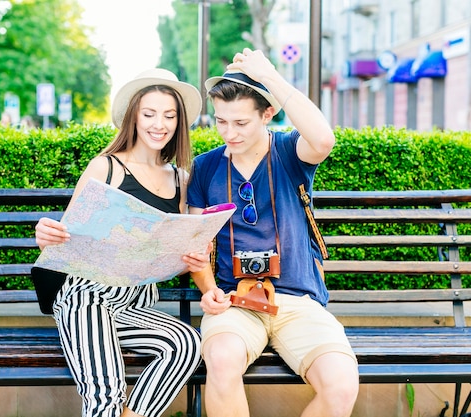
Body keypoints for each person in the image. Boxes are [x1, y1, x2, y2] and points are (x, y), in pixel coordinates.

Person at [187, 48, 360, 417]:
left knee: (341, 384)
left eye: (241, 123)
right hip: (234, 301)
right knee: (220, 361)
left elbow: (324, 139)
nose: (229, 133)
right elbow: (196, 247)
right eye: (221, 121)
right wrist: (208, 290)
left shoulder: (289, 152)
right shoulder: (205, 169)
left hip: (299, 300)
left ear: (267, 114)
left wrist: (269, 76)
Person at [34, 68, 211, 417]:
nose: (159, 124)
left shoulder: (181, 179)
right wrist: (46, 236)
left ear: (179, 123)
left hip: (136, 303)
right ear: (133, 117)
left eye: (169, 115)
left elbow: (184, 245)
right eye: (149, 114)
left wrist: (194, 250)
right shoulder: (106, 168)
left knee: (188, 343)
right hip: (87, 296)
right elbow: (64, 241)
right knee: (106, 395)